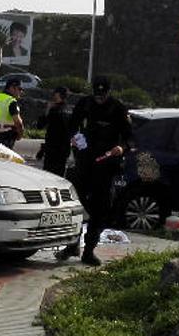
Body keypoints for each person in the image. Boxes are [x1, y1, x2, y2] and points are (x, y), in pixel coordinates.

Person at [57, 76, 131, 266]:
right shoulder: (85, 103)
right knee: (76, 206)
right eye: (96, 95)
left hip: (106, 165)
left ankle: (89, 250)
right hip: (85, 161)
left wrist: (121, 148)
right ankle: (72, 244)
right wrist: (74, 137)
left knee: (100, 209)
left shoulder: (118, 108)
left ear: (108, 92)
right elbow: (72, 125)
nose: (99, 98)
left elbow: (130, 139)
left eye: (102, 95)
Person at [37, 86, 71, 176]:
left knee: (49, 176)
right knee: (59, 175)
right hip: (64, 150)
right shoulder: (70, 110)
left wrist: (47, 110)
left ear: (58, 95)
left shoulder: (54, 110)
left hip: (52, 149)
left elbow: (40, 126)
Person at [0, 79, 24, 149]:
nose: (21, 92)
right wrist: (20, 135)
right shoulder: (11, 102)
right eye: (19, 89)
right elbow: (18, 123)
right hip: (4, 137)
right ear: (12, 88)